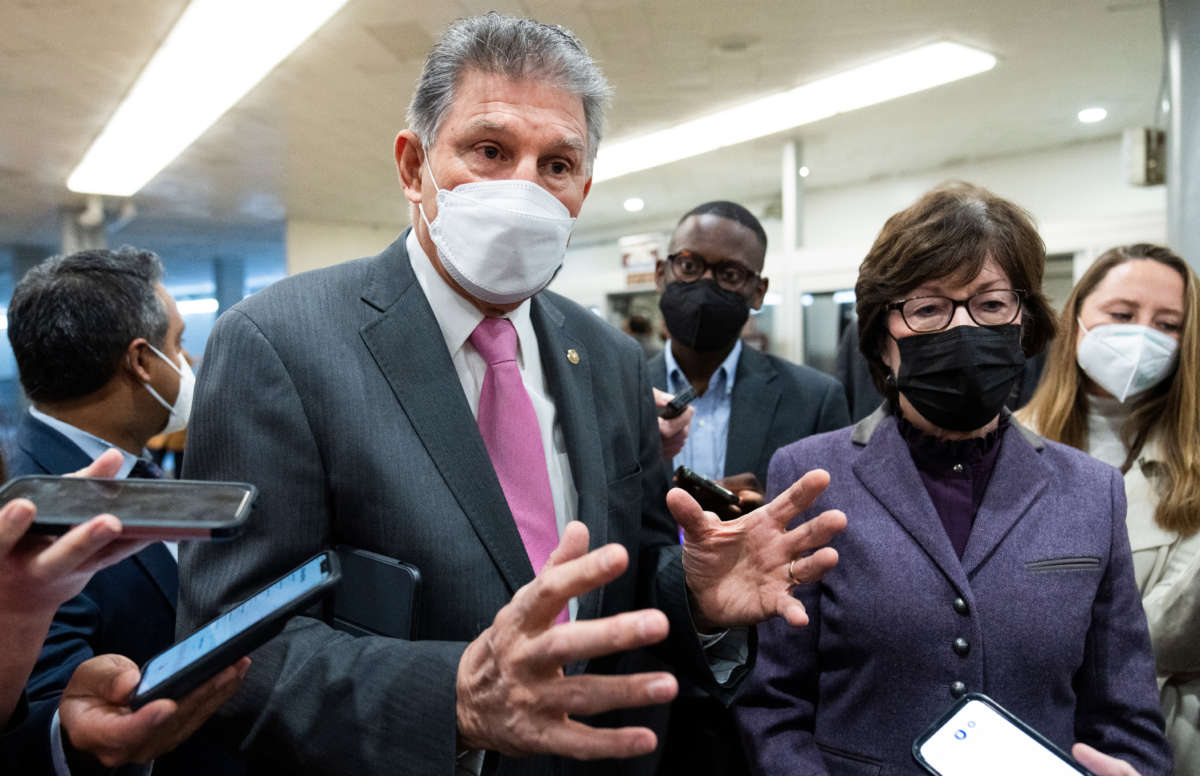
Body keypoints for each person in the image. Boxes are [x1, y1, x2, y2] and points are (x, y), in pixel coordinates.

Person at [178, 13, 845, 776]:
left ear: (582, 190)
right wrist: (452, 700)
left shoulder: (608, 359)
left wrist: (693, 591)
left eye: (556, 164)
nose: (523, 188)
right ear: (412, 166)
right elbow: (231, 647)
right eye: (489, 151)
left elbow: (627, 573)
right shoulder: (279, 345)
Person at [734, 182, 1172, 775]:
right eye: (928, 308)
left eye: (991, 305)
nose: (962, 328)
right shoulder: (812, 475)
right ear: (882, 339)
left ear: (1023, 325)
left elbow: (1126, 717)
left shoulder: (1090, 490)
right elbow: (774, 705)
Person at [2, 247, 247, 775]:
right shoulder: (33, 517)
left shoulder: (134, 470)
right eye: (178, 344)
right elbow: (45, 704)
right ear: (140, 362)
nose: (190, 363)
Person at [647, 201, 848, 775]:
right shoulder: (613, 387)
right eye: (689, 265)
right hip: (644, 670)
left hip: (764, 680)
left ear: (756, 291)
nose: (705, 284)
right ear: (663, 273)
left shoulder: (815, 397)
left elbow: (832, 541)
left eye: (729, 274)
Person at [1020, 243, 1200, 773]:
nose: (1142, 336)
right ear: (1076, 319)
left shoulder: (1192, 458)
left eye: (1168, 324)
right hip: (1030, 732)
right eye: (1122, 315)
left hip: (1172, 736)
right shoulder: (1008, 444)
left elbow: (1177, 627)